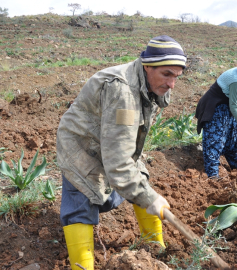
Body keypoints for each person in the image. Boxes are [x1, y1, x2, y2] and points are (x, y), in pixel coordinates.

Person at [56, 35, 186, 270]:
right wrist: (149, 198)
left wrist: (146, 194)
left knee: (140, 182)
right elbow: (117, 164)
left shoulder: (150, 82)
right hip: (82, 144)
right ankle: (82, 267)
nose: (172, 84)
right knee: (81, 201)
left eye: (177, 76)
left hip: (112, 138)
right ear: (147, 66)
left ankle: (157, 252)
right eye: (166, 74)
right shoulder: (122, 92)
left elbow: (122, 148)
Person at [195, 55, 237, 178]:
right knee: (215, 140)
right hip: (215, 107)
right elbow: (234, 106)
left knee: (233, 140)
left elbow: (235, 99)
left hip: (227, 107)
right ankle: (213, 176)